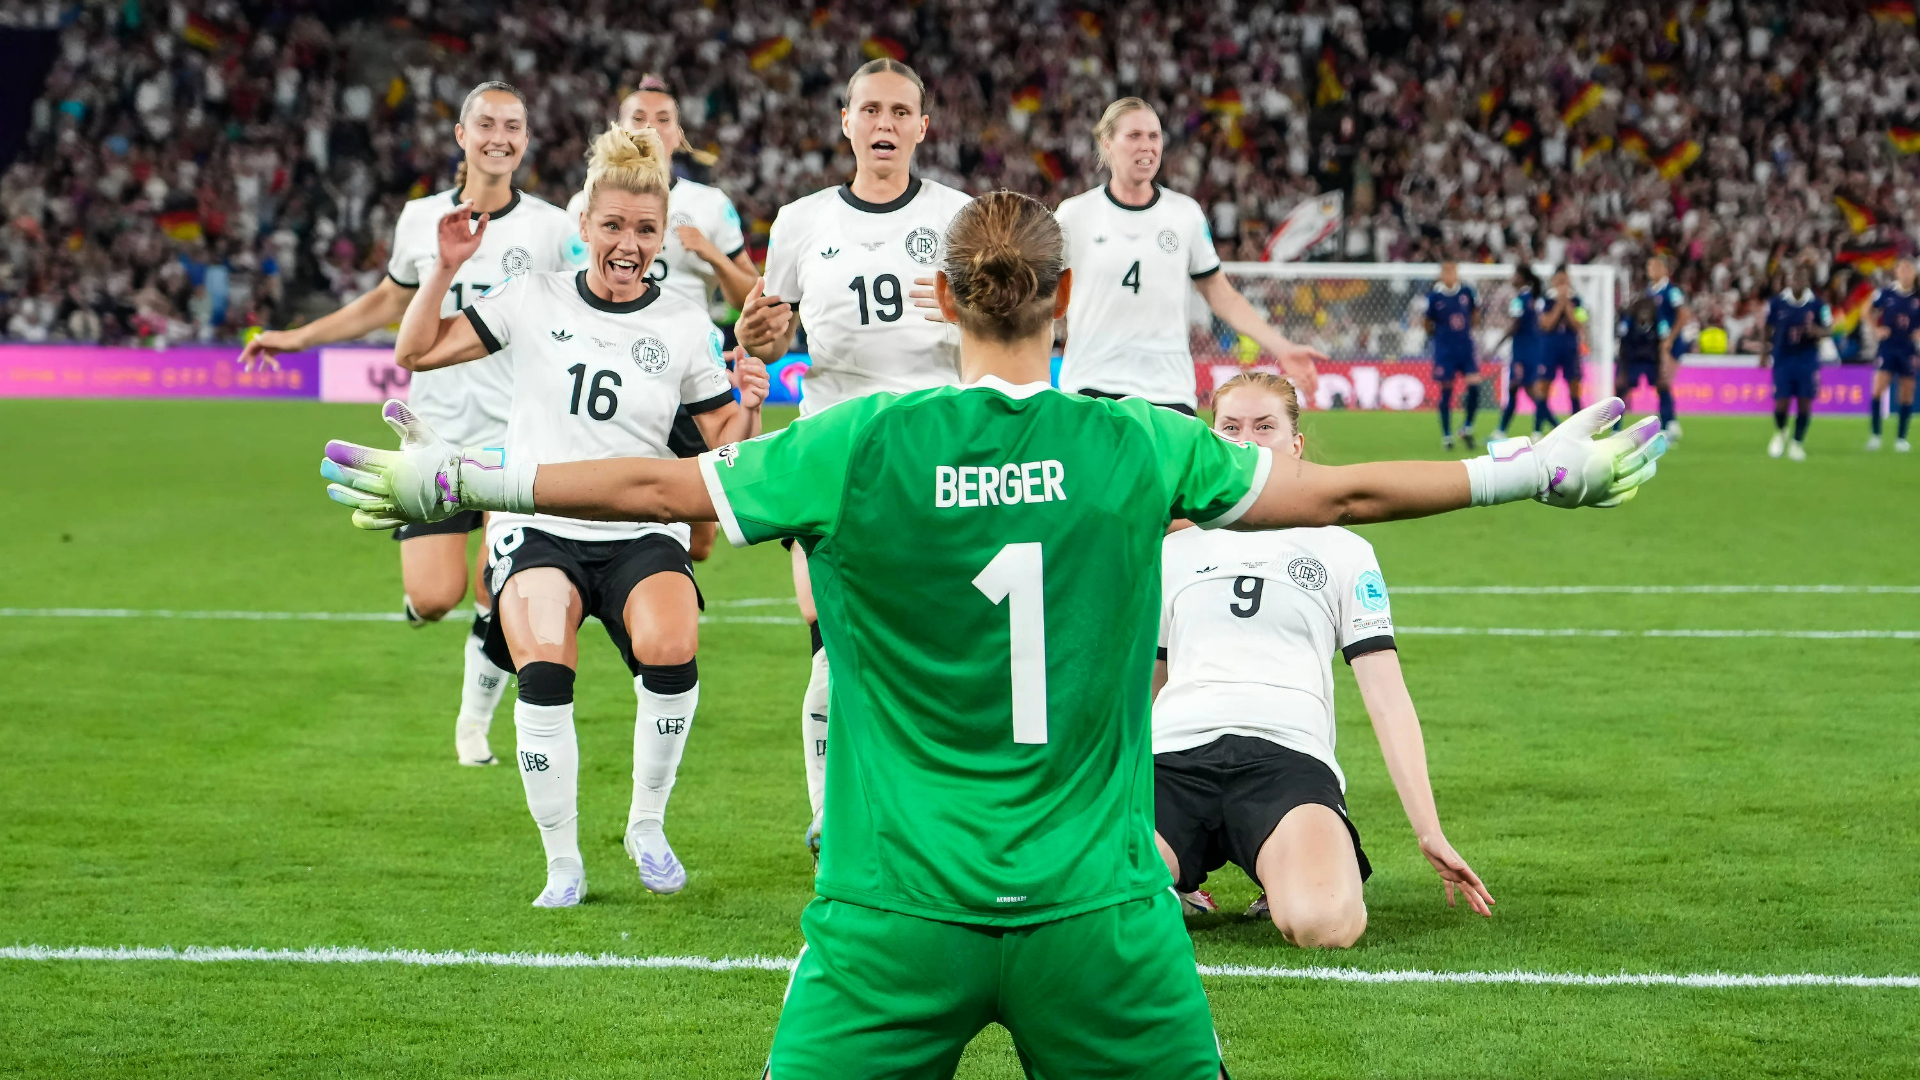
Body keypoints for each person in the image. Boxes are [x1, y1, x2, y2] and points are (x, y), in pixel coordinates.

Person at [322, 191, 1665, 1077]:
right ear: (1067, 300)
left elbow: (662, 486)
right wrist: (1527, 471)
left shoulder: (854, 445)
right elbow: (1348, 491)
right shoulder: (1135, 443)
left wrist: (466, 480)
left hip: (896, 913)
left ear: (943, 300)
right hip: (1100, 914)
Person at [382, 124, 768, 905]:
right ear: (584, 224)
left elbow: (726, 444)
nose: (629, 244)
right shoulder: (532, 295)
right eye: (614, 226)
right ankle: (563, 862)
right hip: (538, 524)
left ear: (663, 237)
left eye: (646, 230)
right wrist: (444, 268)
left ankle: (646, 823)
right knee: (547, 664)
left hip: (637, 528)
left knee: (671, 645)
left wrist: (751, 404)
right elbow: (415, 352)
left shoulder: (687, 327)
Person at [240, 81, 574, 767]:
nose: (499, 137)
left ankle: (473, 724)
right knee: (435, 595)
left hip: (519, 436)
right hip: (435, 434)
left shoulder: (550, 229)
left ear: (527, 139)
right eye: (486, 124)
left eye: (513, 125)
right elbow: (386, 302)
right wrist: (296, 338)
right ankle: (422, 613)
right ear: (461, 135)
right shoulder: (421, 218)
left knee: (501, 586)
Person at [1152, 371, 1493, 943]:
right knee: (1096, 906)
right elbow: (1149, 690)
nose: (1247, 441)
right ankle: (1174, 880)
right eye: (1230, 427)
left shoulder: (1343, 548)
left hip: (1286, 759)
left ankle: (1276, 870)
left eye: (1265, 427)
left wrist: (1428, 829)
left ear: (1296, 445)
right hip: (1174, 759)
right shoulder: (1171, 548)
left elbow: (1386, 695)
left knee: (1322, 924)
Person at [732, 58, 974, 861]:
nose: (884, 123)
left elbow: (993, 337)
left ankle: (932, 799)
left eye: (900, 111)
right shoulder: (801, 222)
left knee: (937, 636)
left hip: (936, 453)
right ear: (845, 122)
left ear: (922, 127)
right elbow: (769, 329)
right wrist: (757, 339)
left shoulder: (961, 218)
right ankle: (829, 811)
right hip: (836, 452)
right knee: (832, 632)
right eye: (869, 109)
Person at [565, 75, 759, 561]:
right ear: (619, 129)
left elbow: (751, 296)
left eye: (663, 119)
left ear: (679, 134)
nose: (650, 129)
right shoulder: (585, 205)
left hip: (687, 370)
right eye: (638, 118)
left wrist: (712, 254)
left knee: (702, 535)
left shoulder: (710, 205)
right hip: (613, 365)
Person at [1054, 97, 1323, 413]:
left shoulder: (1185, 215)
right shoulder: (1074, 215)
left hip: (1168, 390)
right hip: (1090, 387)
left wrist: (1283, 348)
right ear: (1108, 143)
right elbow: (1042, 298)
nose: (1147, 145)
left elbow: (1222, 296)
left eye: (1154, 136)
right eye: (1134, 136)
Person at [1760, 265, 1831, 461]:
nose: (1797, 282)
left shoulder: (1818, 305)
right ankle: (1780, 432)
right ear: (1788, 281)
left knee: (1804, 402)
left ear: (1807, 281)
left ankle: (1797, 442)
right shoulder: (1777, 303)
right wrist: (1763, 352)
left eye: (1801, 278)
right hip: (1782, 357)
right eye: (1794, 278)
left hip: (1807, 358)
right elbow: (1767, 326)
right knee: (1781, 402)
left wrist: (1817, 331)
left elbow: (1829, 329)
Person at [1424, 260, 1485, 450]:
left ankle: (1467, 426)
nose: (1450, 274)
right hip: (1445, 350)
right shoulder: (1435, 296)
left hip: (1465, 348)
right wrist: (1442, 337)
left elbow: (1475, 314)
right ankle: (1447, 435)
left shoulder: (1466, 291)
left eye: (1452, 270)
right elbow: (1427, 323)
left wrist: (1465, 332)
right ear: (1442, 274)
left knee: (1475, 386)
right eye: (1446, 271)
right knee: (1446, 391)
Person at [1493, 265, 1554, 439]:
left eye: (1515, 275)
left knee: (1522, 389)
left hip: (1521, 351)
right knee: (1522, 390)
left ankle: (1553, 427)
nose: (1513, 278)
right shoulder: (1534, 298)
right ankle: (1502, 431)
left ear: (1522, 278)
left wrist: (1497, 344)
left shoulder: (1520, 299)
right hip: (1533, 349)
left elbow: (1515, 325)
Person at [1865, 257, 1919, 452]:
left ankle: (1901, 438)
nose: (1906, 273)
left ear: (1914, 273)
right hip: (1887, 347)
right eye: (1902, 269)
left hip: (1908, 348)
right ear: (1896, 272)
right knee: (1878, 388)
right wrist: (1876, 328)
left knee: (1906, 392)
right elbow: (1867, 311)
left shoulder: (1917, 295)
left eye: (1909, 269)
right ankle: (1875, 435)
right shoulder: (1886, 293)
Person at [1642, 254, 1689, 440]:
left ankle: (1669, 423)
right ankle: (1670, 422)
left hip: (1669, 344)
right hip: (1655, 344)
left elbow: (1683, 314)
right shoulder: (1650, 292)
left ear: (1663, 269)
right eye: (1648, 267)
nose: (1650, 271)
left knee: (1664, 381)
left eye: (1654, 266)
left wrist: (1670, 338)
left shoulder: (1671, 291)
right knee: (1661, 384)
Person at [1536, 265, 1588, 417]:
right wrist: (1560, 304)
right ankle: (1538, 429)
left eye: (1564, 279)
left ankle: (1577, 426)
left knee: (1574, 386)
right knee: (1544, 386)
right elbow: (1546, 324)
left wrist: (1567, 305)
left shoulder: (1577, 301)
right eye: (1559, 279)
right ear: (1553, 281)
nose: (1562, 283)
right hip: (1549, 348)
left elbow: (1578, 325)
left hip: (1570, 349)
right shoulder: (1545, 300)